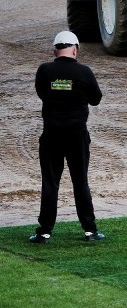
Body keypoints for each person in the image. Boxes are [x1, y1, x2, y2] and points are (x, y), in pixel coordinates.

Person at [30, 31, 104, 244]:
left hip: (51, 134)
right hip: (76, 135)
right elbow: (96, 99)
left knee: (50, 183)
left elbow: (42, 93)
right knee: (80, 182)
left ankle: (44, 232)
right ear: (75, 49)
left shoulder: (45, 70)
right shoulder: (84, 72)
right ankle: (90, 230)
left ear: (55, 50)